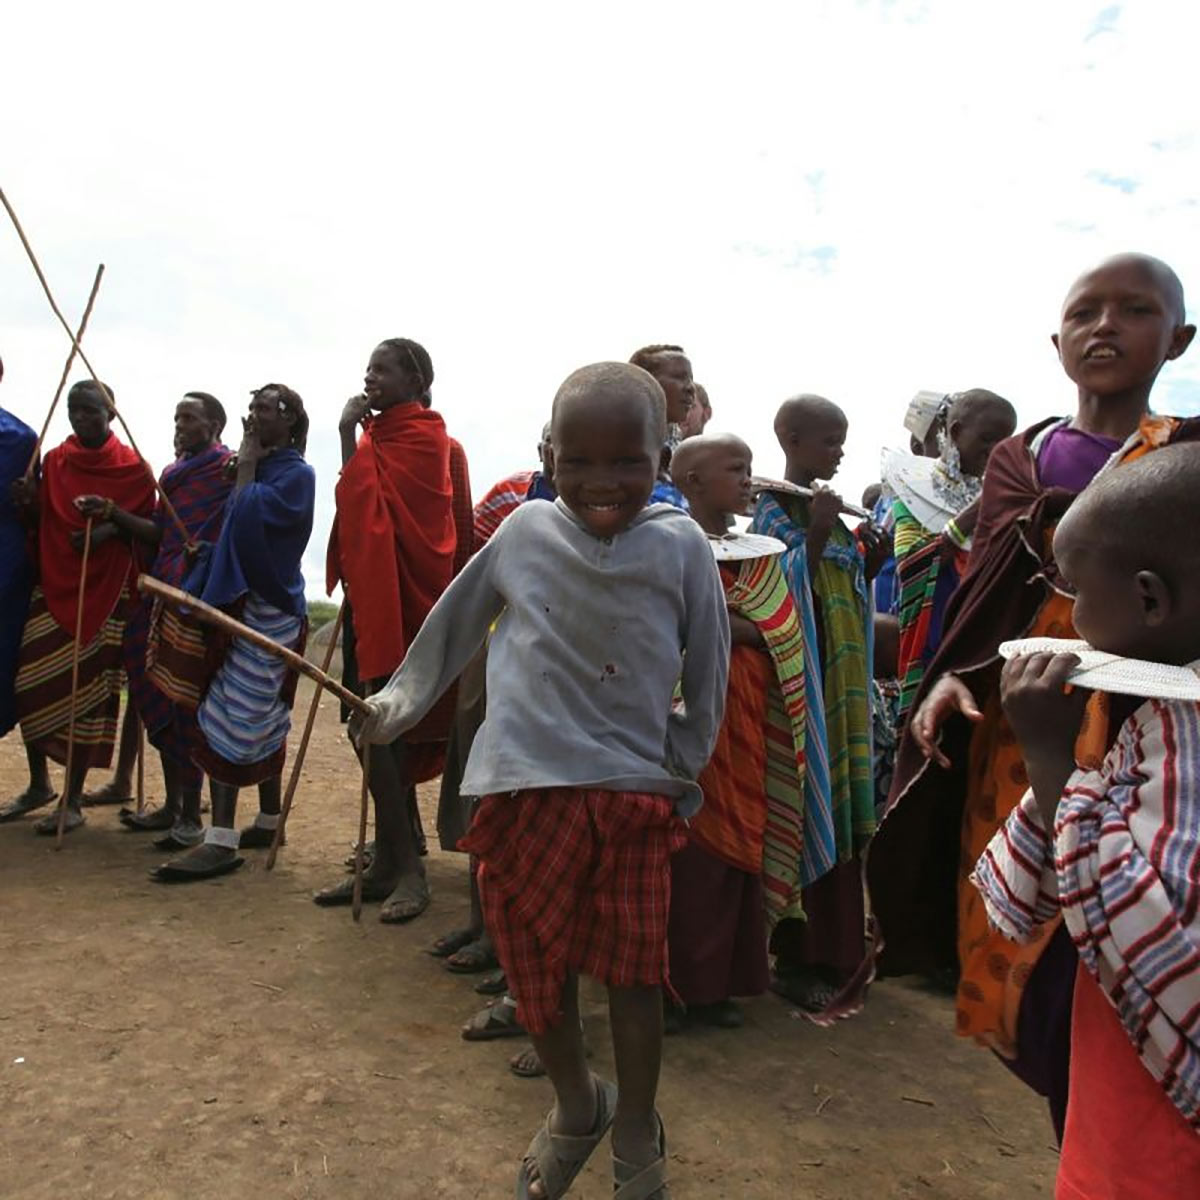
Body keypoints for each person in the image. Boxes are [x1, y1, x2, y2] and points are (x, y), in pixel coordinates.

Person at [354, 362, 729, 1199]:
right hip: (522, 790)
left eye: (627, 462)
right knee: (536, 976)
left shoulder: (681, 548)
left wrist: (682, 764)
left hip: (631, 792)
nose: (603, 484)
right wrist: (396, 705)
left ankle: (636, 1122)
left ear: (663, 459)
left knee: (633, 976)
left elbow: (709, 670)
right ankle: (576, 1106)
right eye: (580, 463)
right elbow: (449, 630)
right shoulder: (522, 534)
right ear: (548, 455)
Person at [857, 253, 1198, 1139]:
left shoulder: (1188, 457)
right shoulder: (1023, 455)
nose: (1105, 327)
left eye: (1135, 311)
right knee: (1030, 906)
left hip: (1154, 719)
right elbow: (982, 603)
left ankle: (1125, 1097)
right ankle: (1068, 1097)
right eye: (1086, 312)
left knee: (1133, 893)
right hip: (1024, 711)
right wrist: (945, 687)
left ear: (1180, 339)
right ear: (1057, 342)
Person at [972, 443, 1200, 1196]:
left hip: (1161, 1103)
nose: (1068, 614)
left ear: (1149, 601)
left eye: (1075, 592)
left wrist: (1045, 753)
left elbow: (1131, 902)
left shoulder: (1183, 743)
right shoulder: (1158, 710)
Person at [750, 395, 888, 1010]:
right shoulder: (771, 514)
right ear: (792, 439)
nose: (838, 452)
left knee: (845, 807)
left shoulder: (830, 514)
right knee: (807, 808)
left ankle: (839, 953)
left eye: (842, 440)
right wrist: (816, 532)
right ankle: (796, 957)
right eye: (829, 441)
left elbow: (849, 591)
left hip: (844, 691)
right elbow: (773, 590)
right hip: (803, 692)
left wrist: (872, 552)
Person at [665, 434, 807, 1032]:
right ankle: (671, 989)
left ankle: (720, 986)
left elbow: (780, 626)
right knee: (685, 858)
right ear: (692, 482)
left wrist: (730, 626)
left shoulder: (761, 556)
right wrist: (732, 626)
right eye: (735, 469)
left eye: (749, 468)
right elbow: (668, 621)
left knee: (740, 851)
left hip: (749, 722)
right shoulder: (667, 546)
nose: (749, 479)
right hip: (685, 723)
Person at [315, 339, 460, 921]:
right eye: (368, 367)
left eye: (383, 368)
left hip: (408, 608)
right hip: (371, 602)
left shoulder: (428, 440)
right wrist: (355, 439)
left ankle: (411, 874)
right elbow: (357, 515)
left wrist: (347, 437)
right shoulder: (377, 439)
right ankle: (388, 863)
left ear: (415, 378)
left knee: (386, 733)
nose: (369, 376)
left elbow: (415, 529)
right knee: (365, 731)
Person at [149, 384, 314, 880]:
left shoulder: (297, 476)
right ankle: (267, 820)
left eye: (263, 410)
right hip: (246, 605)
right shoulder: (259, 470)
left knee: (230, 713)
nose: (252, 419)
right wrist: (209, 554)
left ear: (289, 422)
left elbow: (249, 521)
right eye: (251, 409)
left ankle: (220, 841)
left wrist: (244, 465)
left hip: (273, 608)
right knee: (261, 714)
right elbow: (232, 532)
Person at [5, 380, 155, 833]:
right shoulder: (54, 460)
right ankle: (39, 784)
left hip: (105, 593)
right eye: (74, 410)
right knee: (29, 685)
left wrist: (109, 527)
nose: (80, 418)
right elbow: (42, 520)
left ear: (111, 412)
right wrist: (28, 503)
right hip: (54, 583)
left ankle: (70, 800)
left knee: (89, 698)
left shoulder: (132, 468)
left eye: (90, 410)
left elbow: (148, 528)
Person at [85, 392, 232, 843]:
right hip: (160, 590)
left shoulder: (225, 471)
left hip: (197, 598)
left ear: (215, 427)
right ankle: (171, 807)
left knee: (185, 702)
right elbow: (158, 531)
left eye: (190, 418)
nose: (180, 425)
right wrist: (113, 515)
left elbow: (236, 528)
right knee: (157, 702)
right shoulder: (172, 474)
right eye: (177, 417)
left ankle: (191, 816)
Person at [883, 389, 1017, 716]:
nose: (995, 450)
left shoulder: (1003, 499)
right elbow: (910, 566)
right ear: (955, 432)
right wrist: (967, 521)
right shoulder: (910, 496)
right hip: (929, 643)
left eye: (1005, 441)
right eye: (987, 438)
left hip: (982, 643)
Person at [0, 356, 53, 820]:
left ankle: (40, 782)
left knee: (18, 669)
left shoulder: (19, 440)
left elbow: (39, 515)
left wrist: (29, 503)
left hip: (8, 569)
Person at [470, 422, 555, 551]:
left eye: (564, 440)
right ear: (540, 451)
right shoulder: (509, 491)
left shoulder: (588, 498)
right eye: (550, 440)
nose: (555, 448)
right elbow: (472, 544)